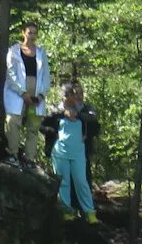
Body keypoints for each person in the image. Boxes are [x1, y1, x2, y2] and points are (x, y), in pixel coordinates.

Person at [43, 82, 100, 223]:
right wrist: (61, 116)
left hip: (79, 152)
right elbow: (42, 123)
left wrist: (77, 115)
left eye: (75, 95)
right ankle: (67, 211)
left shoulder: (85, 110)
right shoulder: (56, 109)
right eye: (69, 94)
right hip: (60, 151)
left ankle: (89, 212)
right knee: (64, 182)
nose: (74, 97)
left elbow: (93, 121)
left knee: (82, 181)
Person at [1, 22, 51, 169]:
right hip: (18, 91)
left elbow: (46, 75)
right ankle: (13, 154)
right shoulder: (14, 51)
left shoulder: (41, 52)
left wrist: (42, 94)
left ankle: (29, 158)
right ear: (23, 33)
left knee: (33, 126)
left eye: (35, 33)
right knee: (13, 121)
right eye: (30, 33)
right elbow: (11, 74)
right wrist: (22, 93)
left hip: (36, 89)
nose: (32, 36)